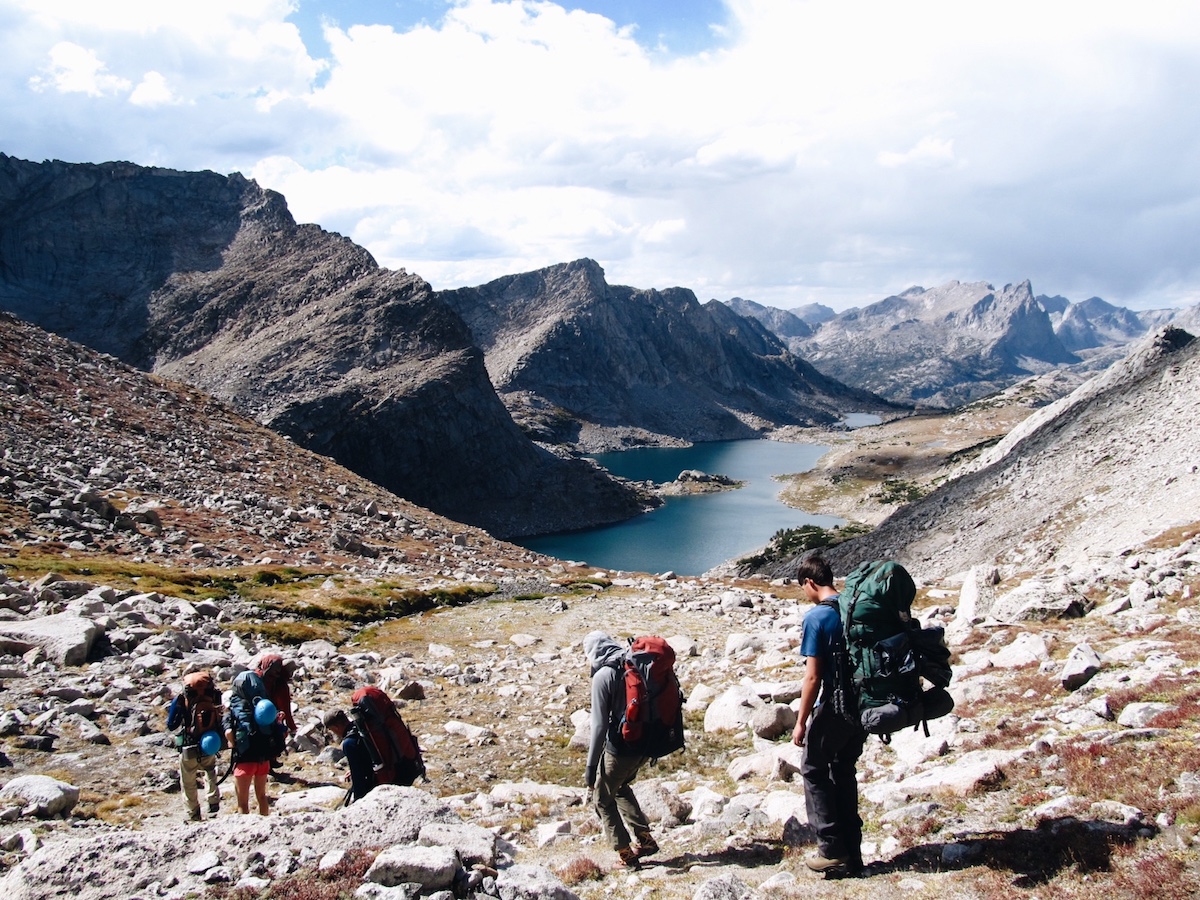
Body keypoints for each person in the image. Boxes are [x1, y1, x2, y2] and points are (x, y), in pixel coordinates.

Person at [791, 555, 865, 877]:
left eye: (803, 588)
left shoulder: (816, 617)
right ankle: (853, 855)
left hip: (836, 706)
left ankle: (831, 849)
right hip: (862, 708)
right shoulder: (854, 610)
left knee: (812, 767)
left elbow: (813, 677)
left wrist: (801, 721)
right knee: (843, 771)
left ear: (810, 582)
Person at [583, 631, 659, 869]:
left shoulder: (603, 675)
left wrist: (591, 766)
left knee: (602, 798)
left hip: (622, 747)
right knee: (620, 786)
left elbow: (598, 725)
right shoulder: (635, 664)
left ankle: (625, 854)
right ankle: (645, 839)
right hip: (646, 743)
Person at [166, 670, 223, 822]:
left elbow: (171, 725)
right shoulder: (214, 695)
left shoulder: (181, 699)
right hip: (209, 742)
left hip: (188, 744)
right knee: (210, 770)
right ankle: (212, 803)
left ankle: (194, 813)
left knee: (188, 780)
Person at [224, 669, 281, 815]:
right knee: (262, 797)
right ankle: (266, 824)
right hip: (263, 760)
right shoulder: (263, 704)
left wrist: (232, 744)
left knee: (242, 802)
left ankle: (246, 832)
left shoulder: (236, 707)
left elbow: (229, 732)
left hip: (245, 760)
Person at [322, 708, 376, 802]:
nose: (333, 733)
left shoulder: (349, 743)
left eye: (331, 730)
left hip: (377, 782)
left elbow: (358, 778)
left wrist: (358, 800)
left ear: (336, 727)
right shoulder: (362, 728)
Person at [254, 653, 297, 770]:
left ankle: (269, 763)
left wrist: (290, 725)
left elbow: (285, 707)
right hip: (261, 713)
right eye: (274, 667)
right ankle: (267, 764)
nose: (276, 671)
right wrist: (291, 726)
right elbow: (286, 707)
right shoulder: (257, 680)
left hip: (267, 714)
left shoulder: (277, 683)